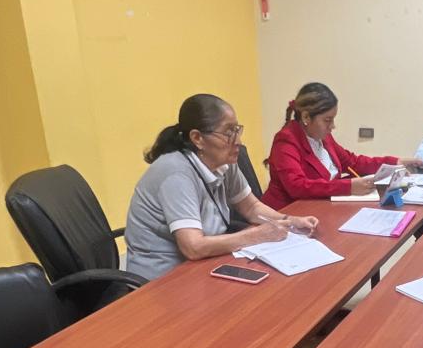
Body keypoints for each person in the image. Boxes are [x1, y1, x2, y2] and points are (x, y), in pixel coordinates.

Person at [125, 93, 316, 280]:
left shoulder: (224, 162)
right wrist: (256, 235)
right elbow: (193, 247)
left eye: (237, 130)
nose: (238, 141)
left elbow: (251, 207)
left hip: (204, 264)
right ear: (197, 138)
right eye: (228, 133)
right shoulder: (176, 173)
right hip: (163, 278)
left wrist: (290, 221)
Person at [262, 82, 416, 210]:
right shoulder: (286, 140)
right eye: (327, 120)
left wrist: (394, 162)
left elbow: (352, 162)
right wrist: (348, 187)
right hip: (287, 214)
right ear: (306, 117)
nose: (332, 126)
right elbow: (297, 186)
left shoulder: (324, 137)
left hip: (322, 210)